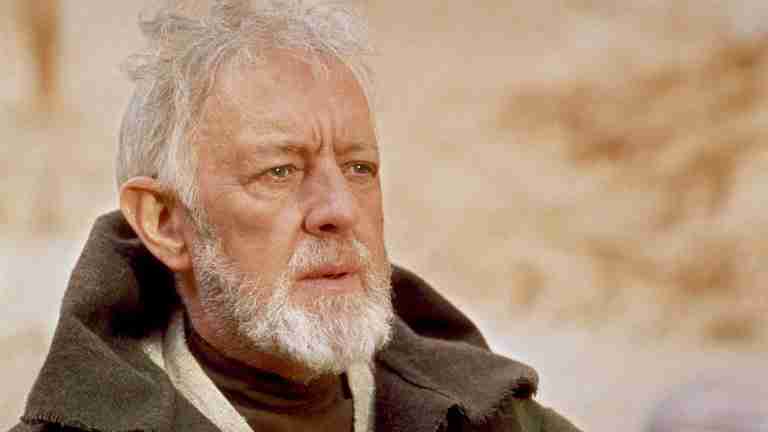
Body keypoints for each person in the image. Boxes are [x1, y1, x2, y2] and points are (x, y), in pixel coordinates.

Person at [11, 1, 582, 431]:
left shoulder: (497, 421)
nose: (339, 210)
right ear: (164, 222)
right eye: (279, 172)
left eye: (359, 168)